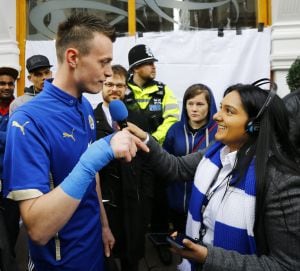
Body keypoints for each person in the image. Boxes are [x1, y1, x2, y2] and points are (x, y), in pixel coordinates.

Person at [3, 13, 148, 271]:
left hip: (93, 250)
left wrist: (103, 225)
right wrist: (97, 155)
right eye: (103, 62)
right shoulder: (27, 121)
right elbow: (37, 229)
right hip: (59, 263)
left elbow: (91, 178)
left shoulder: (83, 106)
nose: (107, 72)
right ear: (73, 58)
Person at [127, 79, 300, 270]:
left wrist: (208, 256)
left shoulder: (281, 182)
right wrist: (144, 138)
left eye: (229, 111)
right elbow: (176, 167)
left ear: (255, 125)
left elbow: (286, 266)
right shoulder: (217, 152)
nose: (216, 116)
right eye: (221, 108)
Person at [94, 64, 153, 271]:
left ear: (126, 88)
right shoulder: (90, 120)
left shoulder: (137, 119)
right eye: (109, 84)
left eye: (120, 85)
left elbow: (147, 163)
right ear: (102, 85)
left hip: (133, 204)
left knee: (132, 260)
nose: (114, 89)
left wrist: (145, 201)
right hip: (104, 206)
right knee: (106, 259)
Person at [125, 44, 180, 257]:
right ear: (136, 67)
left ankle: (160, 241)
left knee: (159, 198)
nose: (153, 66)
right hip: (129, 154)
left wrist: (153, 140)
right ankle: (132, 241)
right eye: (148, 63)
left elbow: (172, 119)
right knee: (132, 197)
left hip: (156, 154)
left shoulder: (163, 90)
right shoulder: (122, 89)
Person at [163, 84, 217, 233]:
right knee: (181, 246)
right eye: (190, 103)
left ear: (209, 106)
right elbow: (166, 163)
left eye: (200, 104)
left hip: (207, 205)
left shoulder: (218, 131)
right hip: (177, 203)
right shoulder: (174, 130)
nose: (194, 109)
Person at [0, 66, 19, 271]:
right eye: (2, 83)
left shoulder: (19, 110)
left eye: (10, 84)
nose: (6, 87)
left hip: (11, 182)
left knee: (11, 230)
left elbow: (17, 141)